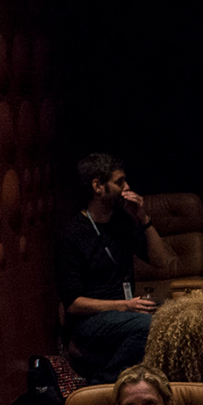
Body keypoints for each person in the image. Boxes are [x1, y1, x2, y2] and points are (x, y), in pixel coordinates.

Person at [56, 153, 174, 384]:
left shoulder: (122, 221)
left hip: (124, 313)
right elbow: (73, 303)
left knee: (181, 316)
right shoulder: (71, 234)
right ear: (98, 186)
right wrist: (124, 305)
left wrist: (143, 219)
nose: (127, 187)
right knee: (150, 326)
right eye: (119, 182)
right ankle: (100, 384)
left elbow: (162, 262)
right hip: (90, 321)